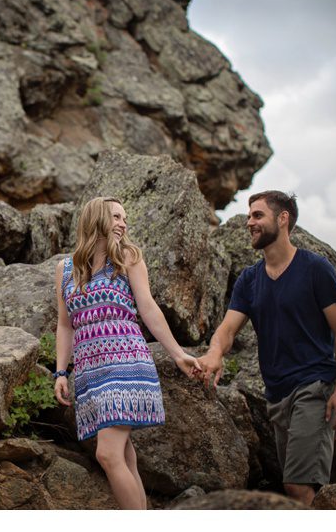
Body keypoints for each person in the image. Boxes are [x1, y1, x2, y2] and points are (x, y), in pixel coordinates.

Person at [195, 190, 336, 507]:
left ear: (283, 219)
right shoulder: (249, 280)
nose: (249, 222)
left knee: (296, 485)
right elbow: (227, 330)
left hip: (314, 387)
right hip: (277, 395)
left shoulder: (315, 269)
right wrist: (214, 353)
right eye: (249, 215)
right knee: (299, 488)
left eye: (257, 215)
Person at [51, 197, 202, 510]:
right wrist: (61, 371)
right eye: (116, 217)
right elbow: (65, 325)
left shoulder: (129, 259)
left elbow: (148, 308)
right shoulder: (65, 270)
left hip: (127, 361)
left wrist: (177, 353)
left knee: (107, 454)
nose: (123, 223)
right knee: (123, 453)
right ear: (96, 219)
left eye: (125, 218)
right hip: (90, 370)